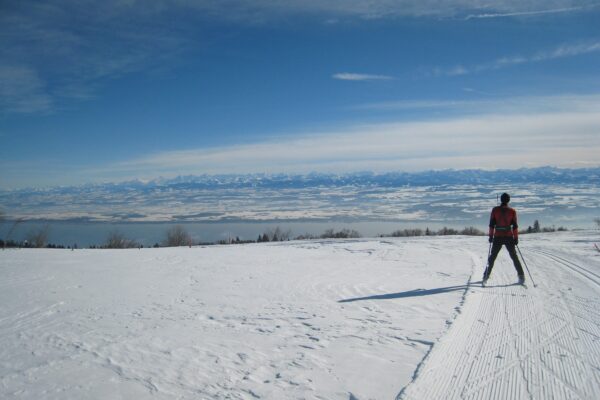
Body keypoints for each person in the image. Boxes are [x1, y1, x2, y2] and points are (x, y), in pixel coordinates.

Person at [483, 193, 525, 284]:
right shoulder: (512, 211)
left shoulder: (495, 210)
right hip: (509, 237)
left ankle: (485, 276)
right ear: (508, 200)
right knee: (514, 257)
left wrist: (490, 236)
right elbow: (515, 226)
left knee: (492, 257)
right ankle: (521, 276)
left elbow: (491, 225)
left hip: (497, 236)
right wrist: (516, 238)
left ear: (501, 200)